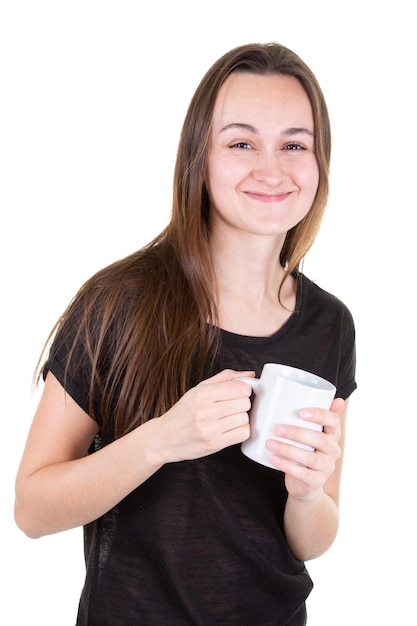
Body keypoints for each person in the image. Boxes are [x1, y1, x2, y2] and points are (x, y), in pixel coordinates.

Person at [14, 42, 357, 625]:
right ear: (199, 157)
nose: (271, 169)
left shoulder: (330, 325)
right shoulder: (120, 303)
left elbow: (312, 540)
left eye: (295, 145)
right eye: (241, 142)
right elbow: (32, 508)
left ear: (319, 162)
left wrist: (307, 492)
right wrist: (161, 440)